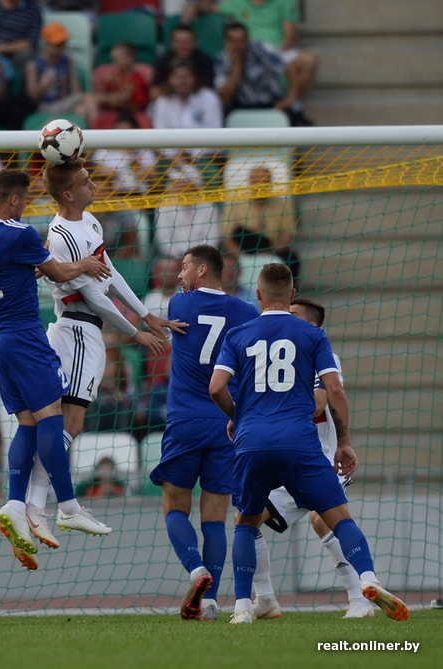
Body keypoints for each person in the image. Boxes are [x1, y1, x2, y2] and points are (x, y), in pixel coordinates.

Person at [210, 262, 408, 623]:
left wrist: (238, 416)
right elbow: (332, 393)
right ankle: (366, 580)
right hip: (301, 445)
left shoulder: (239, 335)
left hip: (255, 442)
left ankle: (243, 607)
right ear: (291, 294)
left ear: (258, 294)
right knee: (337, 518)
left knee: (247, 522)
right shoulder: (312, 339)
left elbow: (215, 387)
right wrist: (346, 440)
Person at [18, 161, 179, 563]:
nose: (93, 185)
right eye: (85, 181)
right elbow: (93, 296)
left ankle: (35, 507)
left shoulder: (90, 222)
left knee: (62, 424)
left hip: (87, 332)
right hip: (76, 331)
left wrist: (146, 313)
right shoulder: (61, 237)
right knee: (65, 424)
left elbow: (110, 276)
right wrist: (135, 332)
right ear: (67, 193)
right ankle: (37, 507)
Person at [0, 169, 112, 570]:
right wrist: (85, 263)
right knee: (52, 417)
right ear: (13, 199)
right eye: (25, 200)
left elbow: (17, 268)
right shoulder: (21, 234)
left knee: (27, 422)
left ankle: (16, 504)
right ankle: (68, 506)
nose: (27, 206)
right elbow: (60, 273)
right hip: (25, 336)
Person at [248, 297, 377, 620]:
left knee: (323, 519)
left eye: (293, 315)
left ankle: (360, 597)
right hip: (285, 458)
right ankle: (264, 598)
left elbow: (319, 403)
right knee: (248, 518)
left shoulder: (323, 355)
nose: (286, 319)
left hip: (322, 457)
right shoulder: (275, 358)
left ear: (312, 326)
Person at [148, 244, 258, 620]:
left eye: (184, 267)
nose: (179, 275)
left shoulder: (180, 304)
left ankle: (196, 570)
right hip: (227, 422)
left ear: (203, 270)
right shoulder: (248, 313)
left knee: (174, 506)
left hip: (185, 421)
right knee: (215, 517)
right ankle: (209, 603)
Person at [218, 0, 318, 122]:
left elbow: (290, 33)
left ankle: (294, 103)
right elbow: (214, 9)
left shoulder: (284, 0)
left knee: (309, 60)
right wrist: (197, 7)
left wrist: (272, 57)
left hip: (275, 51)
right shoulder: (237, 1)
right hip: (245, 49)